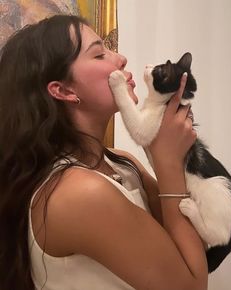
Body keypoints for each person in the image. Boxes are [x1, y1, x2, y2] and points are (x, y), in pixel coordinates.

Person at [0, 14, 208, 290]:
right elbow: (191, 286)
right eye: (99, 55)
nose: (120, 59)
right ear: (62, 90)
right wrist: (168, 161)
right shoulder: (80, 192)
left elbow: (195, 245)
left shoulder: (122, 164)